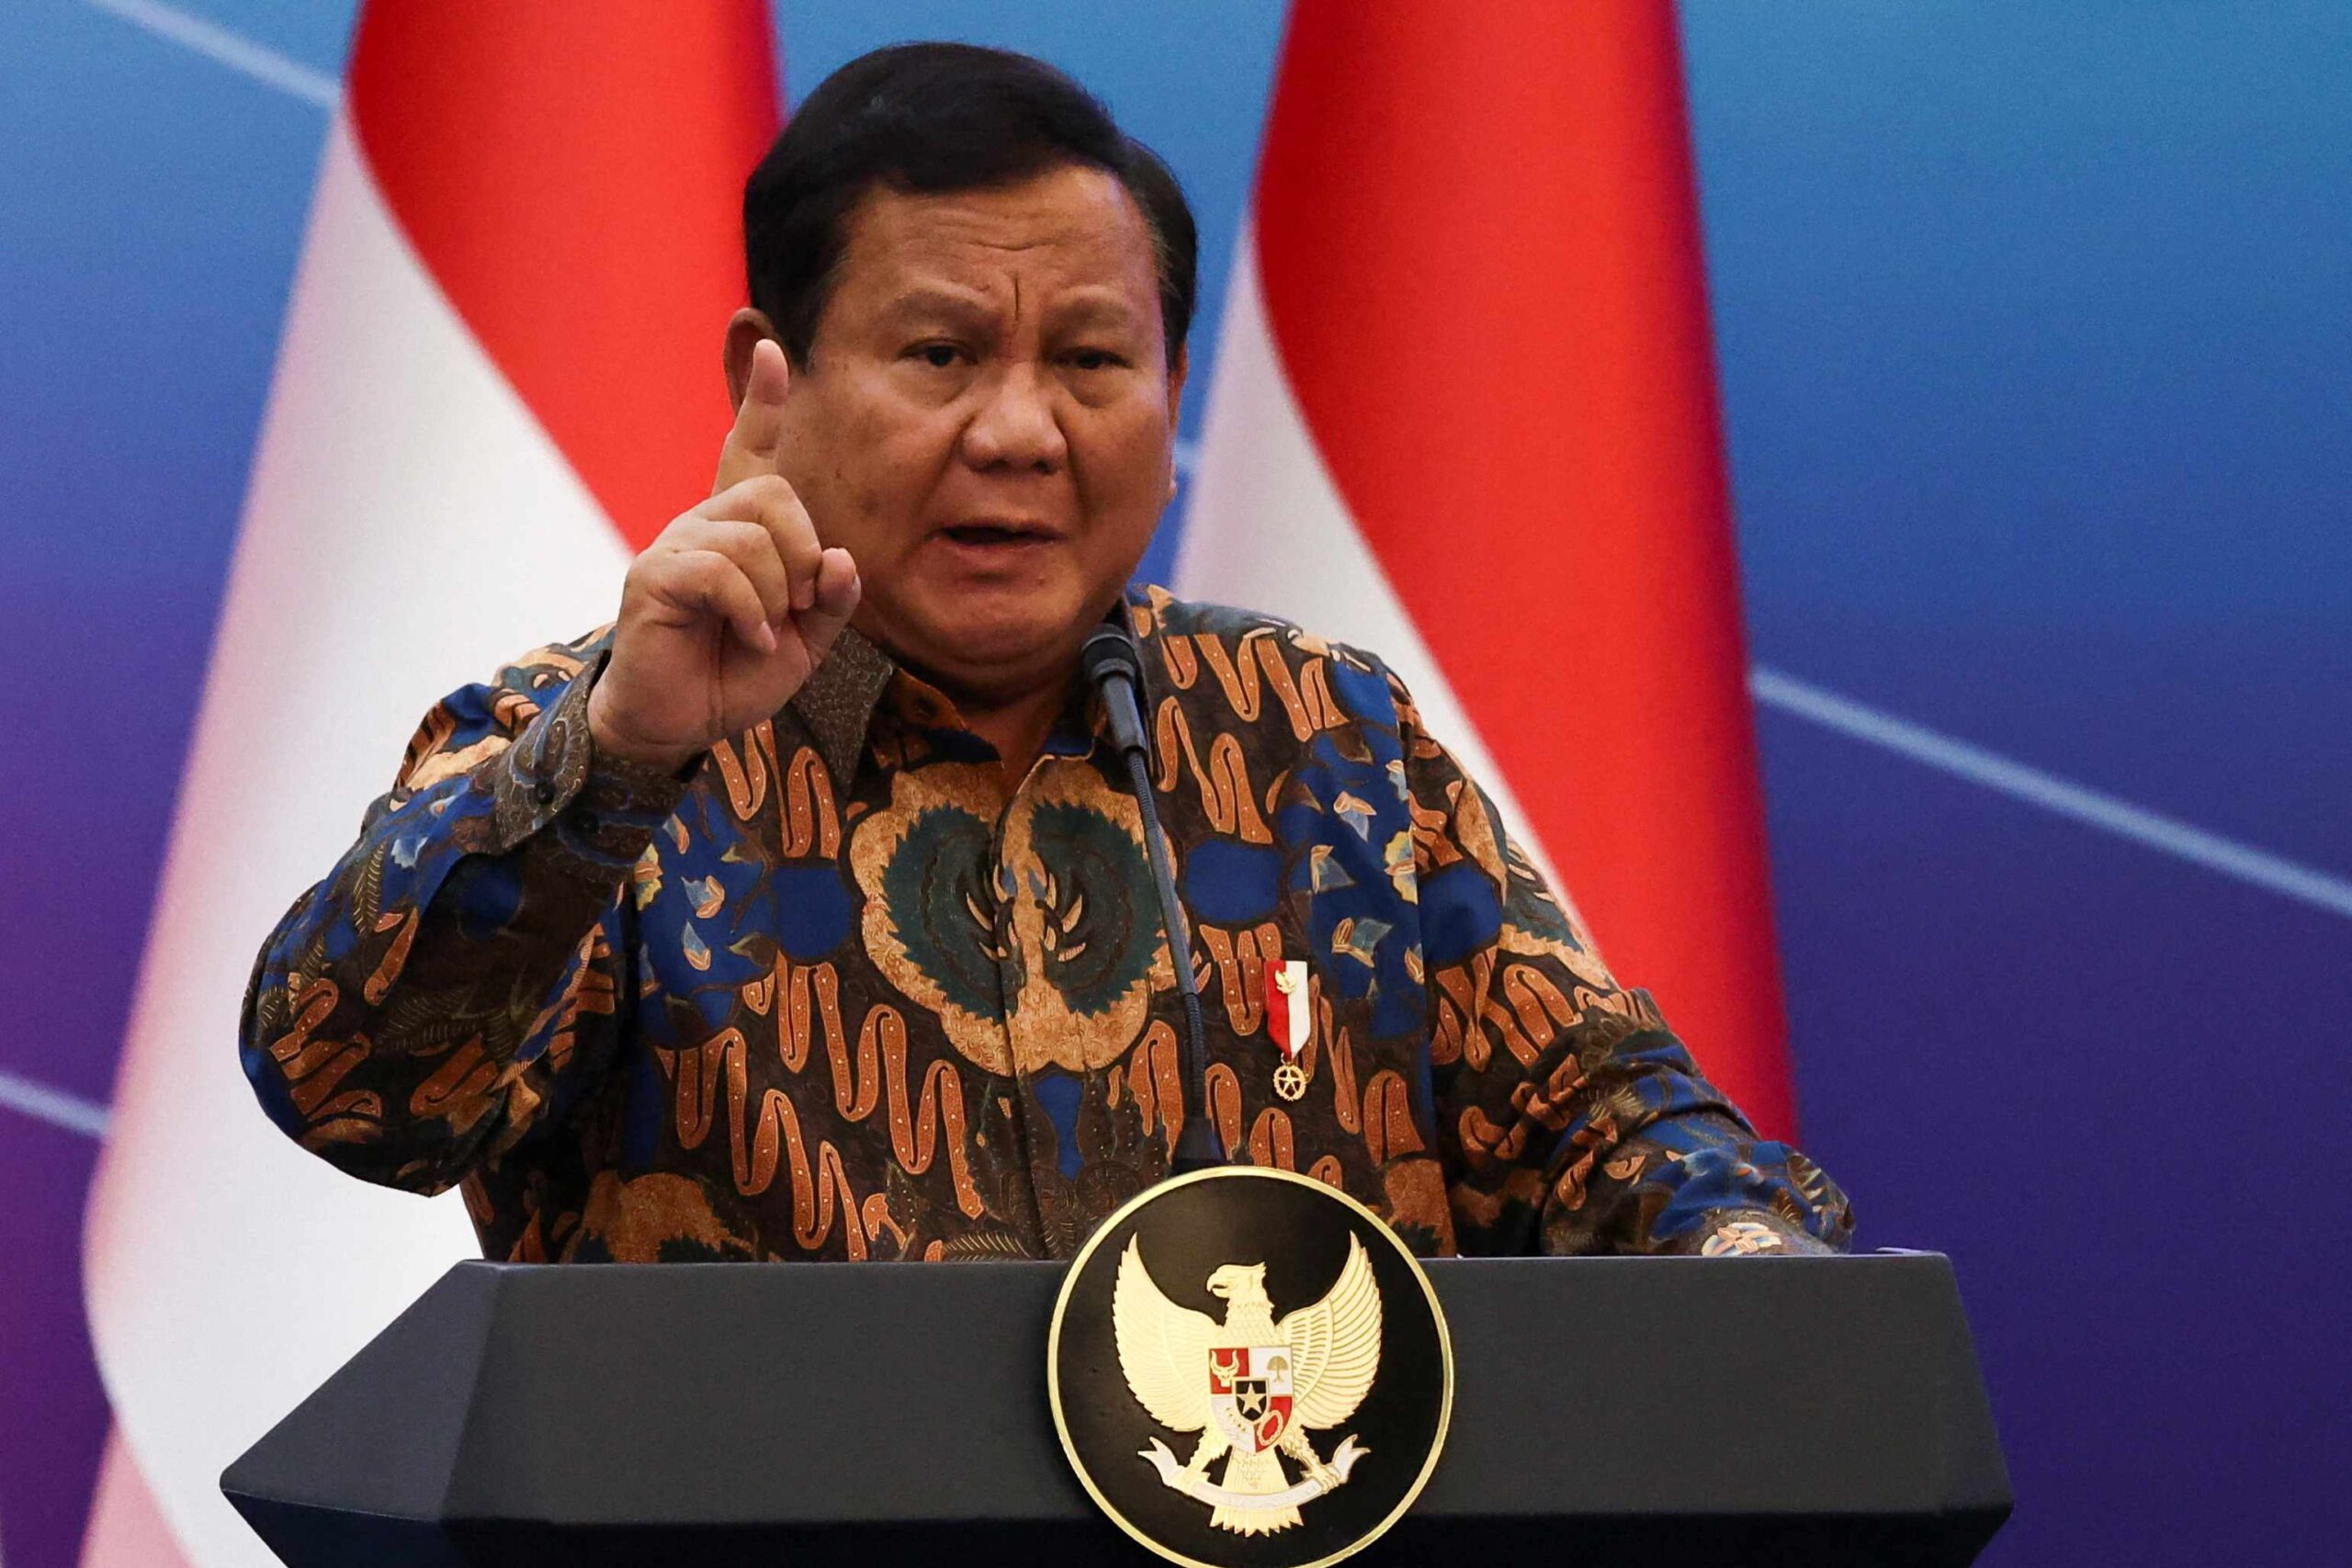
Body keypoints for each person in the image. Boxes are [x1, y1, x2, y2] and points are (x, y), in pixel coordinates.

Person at [241, 42, 1851, 1265]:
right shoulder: (597, 737)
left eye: (1090, 360)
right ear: (770, 384)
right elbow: (346, 1086)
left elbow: (1603, 1119)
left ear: (1173, 393)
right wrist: (621, 759)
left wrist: (1745, 1255)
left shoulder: (1321, 738)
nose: (1020, 432)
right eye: (942, 354)